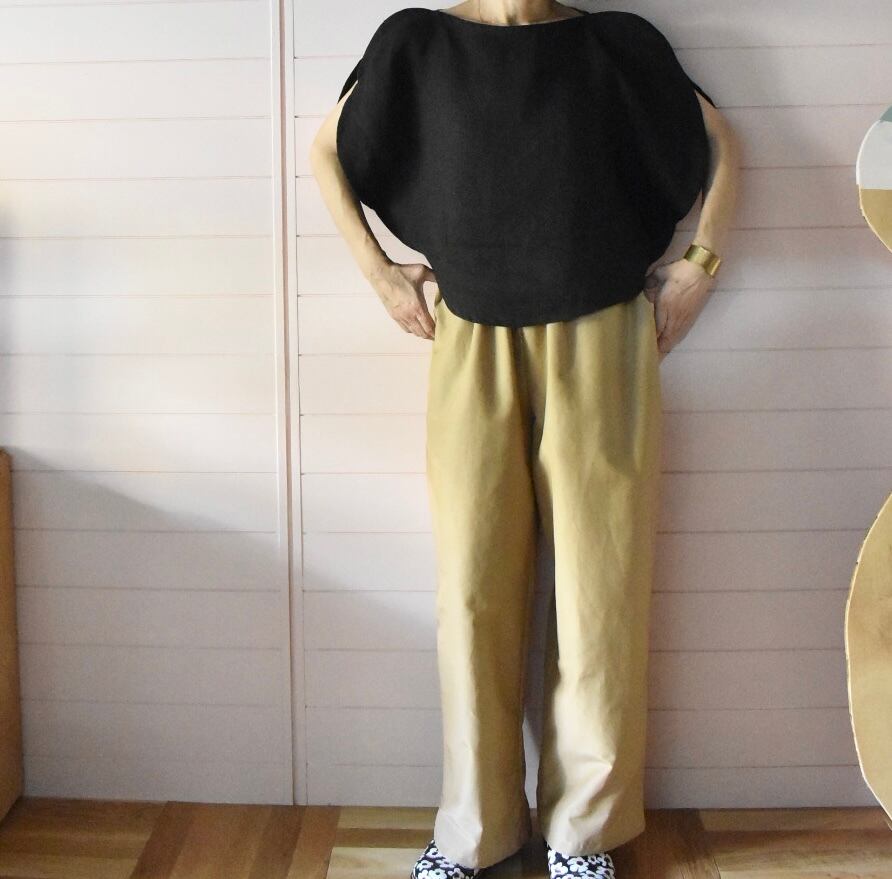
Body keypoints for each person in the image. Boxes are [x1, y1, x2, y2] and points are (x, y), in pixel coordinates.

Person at [310, 1, 742, 877]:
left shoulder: (615, 44)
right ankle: (474, 830)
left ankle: (584, 835)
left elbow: (721, 144)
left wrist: (701, 266)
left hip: (604, 339)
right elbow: (326, 151)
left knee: (600, 593)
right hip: (470, 339)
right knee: (473, 591)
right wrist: (378, 273)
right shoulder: (417, 45)